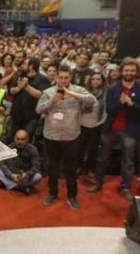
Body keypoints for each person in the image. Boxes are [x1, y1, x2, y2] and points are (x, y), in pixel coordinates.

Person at [88, 58, 140, 201]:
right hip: (111, 129)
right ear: (122, 71)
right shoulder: (113, 88)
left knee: (128, 161)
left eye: (132, 70)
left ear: (136, 72)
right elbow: (110, 109)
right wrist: (120, 103)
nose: (129, 73)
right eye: (126, 70)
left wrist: (131, 104)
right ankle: (98, 182)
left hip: (130, 131)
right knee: (102, 158)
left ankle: (125, 187)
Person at [36, 65, 95, 210]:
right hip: (52, 135)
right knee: (53, 167)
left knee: (71, 168)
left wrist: (73, 95)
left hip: (71, 136)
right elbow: (38, 109)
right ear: (56, 77)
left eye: (66, 77)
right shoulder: (49, 92)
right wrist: (52, 101)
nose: (63, 80)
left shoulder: (78, 90)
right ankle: (52, 193)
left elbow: (92, 100)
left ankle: (72, 196)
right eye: (60, 77)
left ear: (70, 77)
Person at [0, 129, 42, 194]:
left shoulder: (33, 150)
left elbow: (36, 166)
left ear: (27, 139)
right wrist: (11, 175)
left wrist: (27, 174)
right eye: (18, 139)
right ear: (14, 138)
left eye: (23, 139)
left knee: (38, 177)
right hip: (11, 175)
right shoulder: (8, 147)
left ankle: (10, 185)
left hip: (24, 177)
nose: (20, 142)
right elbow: (2, 163)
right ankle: (21, 187)